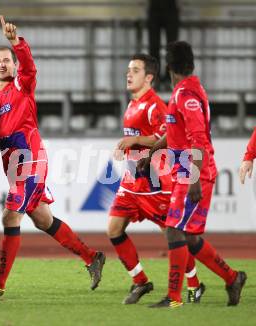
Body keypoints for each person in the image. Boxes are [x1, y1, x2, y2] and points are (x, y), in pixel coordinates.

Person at [0, 16, 106, 297]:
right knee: (42, 219)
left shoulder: (23, 86)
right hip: (12, 165)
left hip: (31, 160)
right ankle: (92, 257)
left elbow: (29, 65)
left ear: (14, 65)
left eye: (7, 60)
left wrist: (15, 42)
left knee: (10, 216)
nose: (3, 64)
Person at [138, 41, 246, 308]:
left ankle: (173, 298)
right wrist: (152, 153)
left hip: (193, 173)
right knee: (190, 237)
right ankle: (232, 278)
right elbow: (175, 133)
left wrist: (194, 179)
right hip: (188, 171)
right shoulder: (184, 92)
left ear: (168, 66)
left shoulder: (187, 96)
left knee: (174, 230)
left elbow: (197, 139)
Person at [108, 53, 204, 305]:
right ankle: (140, 281)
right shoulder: (132, 104)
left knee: (173, 235)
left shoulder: (155, 106)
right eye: (128, 69)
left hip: (154, 185)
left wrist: (135, 140)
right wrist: (129, 146)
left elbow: (170, 136)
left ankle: (194, 283)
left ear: (149, 77)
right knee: (114, 229)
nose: (129, 74)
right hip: (132, 182)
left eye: (136, 70)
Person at [147, 0, 180, 88]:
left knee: (172, 47)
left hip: (169, 6)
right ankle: (157, 77)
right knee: (154, 45)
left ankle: (168, 77)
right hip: (158, 7)